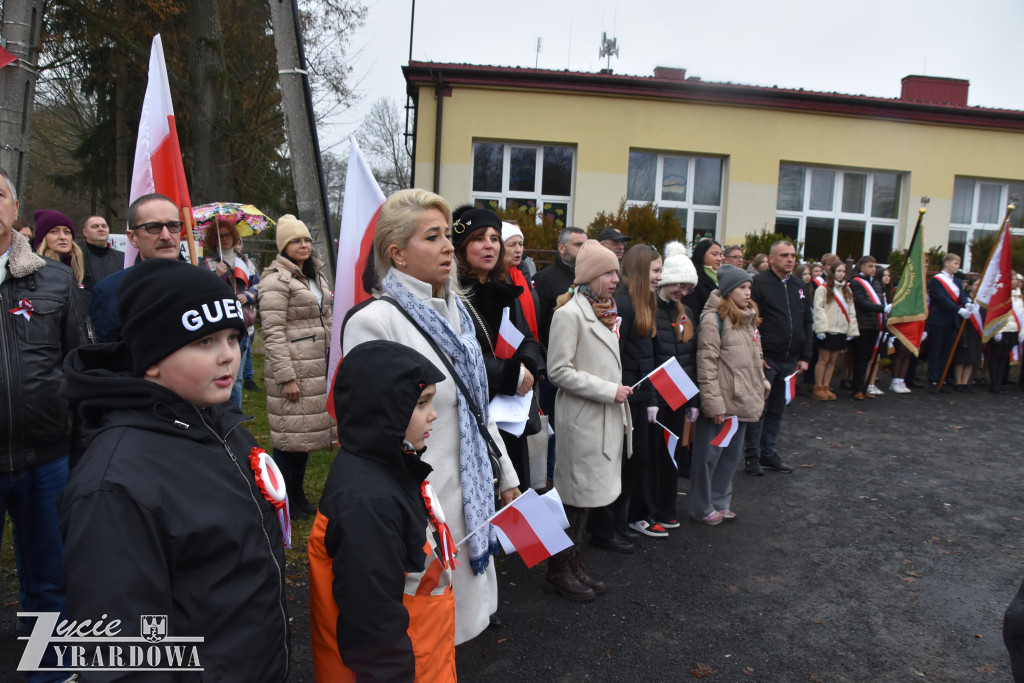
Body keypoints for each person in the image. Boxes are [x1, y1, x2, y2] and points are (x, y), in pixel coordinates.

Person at [59, 259, 289, 682]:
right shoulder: (114, 488)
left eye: (233, 337)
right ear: (151, 359)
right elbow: (122, 658)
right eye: (203, 342)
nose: (228, 355)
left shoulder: (223, 427)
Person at [342, 188, 521, 645]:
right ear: (397, 253)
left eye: (447, 235)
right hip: (420, 503)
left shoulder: (460, 314)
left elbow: (475, 406)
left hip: (469, 497)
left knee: (456, 629)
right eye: (432, 237)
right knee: (422, 630)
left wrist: (505, 473)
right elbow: (375, 433)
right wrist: (405, 508)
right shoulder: (375, 322)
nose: (448, 247)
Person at [308, 340, 456, 682]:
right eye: (422, 403)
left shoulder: (388, 468)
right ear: (382, 408)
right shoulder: (366, 503)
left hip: (422, 657)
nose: (433, 414)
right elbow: (372, 625)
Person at [0, 166, 89, 683]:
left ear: (16, 209)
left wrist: (81, 443)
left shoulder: (54, 280)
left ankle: (50, 671)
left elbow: (77, 364)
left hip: (48, 457)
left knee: (49, 578)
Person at [547, 239, 632, 600]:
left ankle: (574, 561)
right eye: (609, 272)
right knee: (572, 498)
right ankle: (558, 569)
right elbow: (557, 371)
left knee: (585, 498)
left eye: (616, 271)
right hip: (583, 420)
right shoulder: (568, 314)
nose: (616, 278)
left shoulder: (606, 311)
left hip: (603, 417)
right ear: (591, 276)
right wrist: (607, 390)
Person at [452, 207, 542, 492]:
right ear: (461, 248)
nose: (489, 244)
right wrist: (513, 376)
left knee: (516, 488)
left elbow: (528, 338)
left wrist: (526, 365)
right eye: (479, 238)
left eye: (494, 238)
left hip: (510, 411)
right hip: (479, 411)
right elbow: (465, 356)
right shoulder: (453, 297)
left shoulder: (503, 290)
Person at [259, 214, 334, 519]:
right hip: (295, 368)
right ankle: (283, 496)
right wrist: (286, 377)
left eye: (306, 239)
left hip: (317, 364)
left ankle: (297, 496)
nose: (303, 245)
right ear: (283, 246)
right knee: (289, 436)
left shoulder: (316, 274)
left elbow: (326, 314)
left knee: (303, 435)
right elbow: (273, 333)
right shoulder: (275, 281)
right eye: (295, 240)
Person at [588, 244, 663, 545]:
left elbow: (645, 355)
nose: (660, 276)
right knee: (622, 463)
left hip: (638, 396)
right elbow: (613, 355)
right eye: (656, 270)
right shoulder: (625, 305)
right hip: (623, 397)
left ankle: (618, 522)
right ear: (642, 270)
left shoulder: (642, 302)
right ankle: (605, 528)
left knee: (636, 462)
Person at [690, 265, 769, 525]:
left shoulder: (748, 318)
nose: (748, 293)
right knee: (708, 458)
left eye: (749, 288)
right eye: (741, 288)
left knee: (731, 456)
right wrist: (713, 403)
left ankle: (721, 501)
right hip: (723, 402)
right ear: (727, 291)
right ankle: (702, 506)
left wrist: (762, 385)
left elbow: (755, 358)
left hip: (743, 401)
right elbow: (707, 363)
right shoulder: (714, 320)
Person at [743, 240, 810, 475]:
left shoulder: (799, 286)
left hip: (790, 361)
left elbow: (806, 322)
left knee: (778, 409)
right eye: (784, 255)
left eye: (792, 255)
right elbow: (750, 322)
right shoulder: (758, 284)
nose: (790, 259)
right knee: (759, 409)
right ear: (771, 259)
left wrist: (805, 356)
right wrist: (757, 355)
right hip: (767, 359)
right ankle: (752, 456)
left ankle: (768, 452)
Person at [90, 192, 184, 342]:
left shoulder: (207, 283)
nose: (166, 236)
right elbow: (106, 355)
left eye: (173, 226)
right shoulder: (110, 291)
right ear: (133, 237)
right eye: (153, 227)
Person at [649, 241, 699, 521]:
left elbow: (689, 358)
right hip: (657, 397)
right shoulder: (649, 309)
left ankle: (667, 508)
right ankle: (652, 509)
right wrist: (653, 400)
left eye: (688, 287)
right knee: (654, 458)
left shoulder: (685, 313)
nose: (683, 292)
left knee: (671, 455)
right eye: (679, 285)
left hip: (678, 396)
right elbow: (649, 357)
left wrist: (693, 399)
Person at [203, 218, 260, 408]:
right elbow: (199, 290)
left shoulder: (244, 261)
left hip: (244, 323)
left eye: (227, 235)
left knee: (236, 378)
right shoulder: (207, 263)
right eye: (220, 236)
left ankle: (234, 416)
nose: (225, 239)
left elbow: (259, 286)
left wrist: (247, 295)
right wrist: (215, 276)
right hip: (219, 324)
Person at [534, 226, 587, 349]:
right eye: (578, 245)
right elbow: (538, 322)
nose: (584, 249)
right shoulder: (544, 278)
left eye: (585, 245)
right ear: (562, 248)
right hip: (556, 350)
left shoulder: (592, 276)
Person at [812, 261, 858, 400]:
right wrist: (820, 329)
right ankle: (818, 387)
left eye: (843, 271)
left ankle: (826, 386)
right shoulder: (823, 289)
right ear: (832, 272)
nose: (841, 274)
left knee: (833, 360)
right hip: (827, 329)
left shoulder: (847, 290)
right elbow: (818, 309)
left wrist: (851, 330)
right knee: (824, 359)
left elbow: (851, 311)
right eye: (838, 271)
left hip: (841, 329)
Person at [926, 253, 971, 394]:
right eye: (955, 263)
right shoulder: (937, 280)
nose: (958, 266)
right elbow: (941, 299)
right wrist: (959, 310)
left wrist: (968, 303)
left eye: (958, 263)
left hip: (952, 322)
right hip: (939, 321)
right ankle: (933, 381)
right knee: (936, 352)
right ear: (946, 263)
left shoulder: (957, 281)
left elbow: (961, 296)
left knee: (947, 353)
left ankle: (941, 380)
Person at [849, 256, 890, 400]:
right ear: (862, 267)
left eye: (874, 266)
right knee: (860, 357)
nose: (873, 269)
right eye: (870, 266)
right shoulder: (856, 282)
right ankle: (858, 388)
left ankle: (865, 386)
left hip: (874, 324)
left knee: (868, 357)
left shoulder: (876, 283)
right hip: (862, 324)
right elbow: (861, 303)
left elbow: (880, 299)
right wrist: (883, 308)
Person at [502, 220, 540, 345]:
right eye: (512, 245)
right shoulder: (497, 278)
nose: (518, 250)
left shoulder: (519, 274)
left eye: (521, 244)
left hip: (528, 345)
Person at [33, 209, 85, 286]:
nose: (63, 237)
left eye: (67, 232)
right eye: (54, 231)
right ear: (42, 238)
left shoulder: (83, 265)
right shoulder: (33, 270)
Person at [952, 275, 983, 392]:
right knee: (962, 359)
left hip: (976, 333)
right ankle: (958, 382)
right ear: (970, 286)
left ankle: (965, 383)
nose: (977, 287)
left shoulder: (981, 301)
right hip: (965, 331)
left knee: (972, 359)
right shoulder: (964, 299)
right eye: (975, 284)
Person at [80, 214, 124, 291]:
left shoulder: (122, 258)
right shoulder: (77, 258)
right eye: (95, 226)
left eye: (104, 226)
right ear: (85, 232)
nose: (101, 229)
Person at [683, 238, 724, 317]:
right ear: (701, 255)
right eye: (714, 254)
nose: (719, 258)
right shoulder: (693, 280)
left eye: (721, 254)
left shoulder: (723, 279)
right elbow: (691, 312)